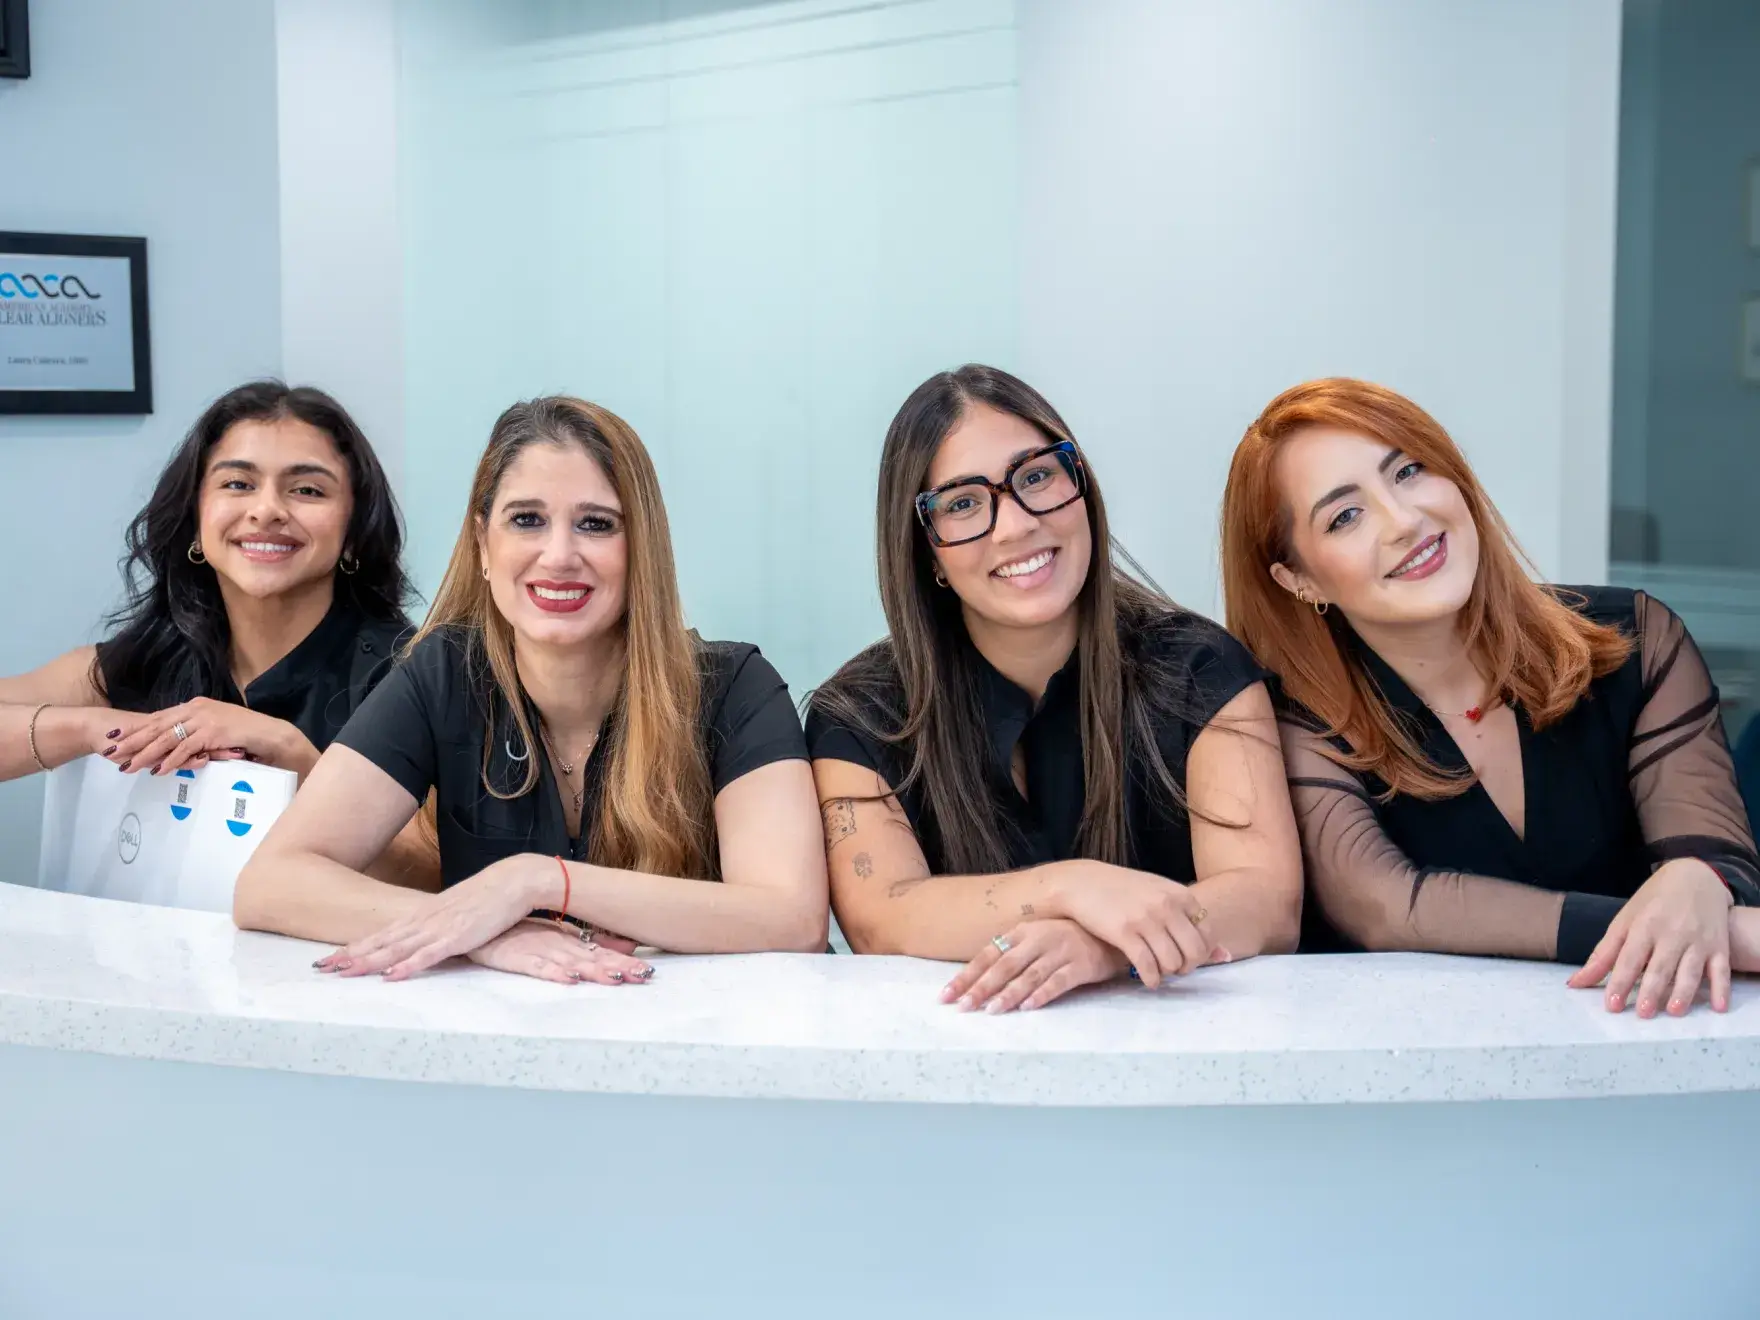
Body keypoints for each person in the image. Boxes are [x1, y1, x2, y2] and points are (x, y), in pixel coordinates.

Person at [234, 396, 828, 986]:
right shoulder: (440, 674)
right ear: (483, 544)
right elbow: (272, 882)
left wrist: (537, 883)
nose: (560, 555)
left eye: (596, 524)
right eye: (526, 520)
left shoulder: (735, 687)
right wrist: (481, 929)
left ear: (641, 549)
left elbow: (792, 917)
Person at [1221, 376, 1760, 1019]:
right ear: (1300, 579)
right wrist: (1700, 929)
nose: (1404, 520)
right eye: (1345, 515)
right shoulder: (1289, 717)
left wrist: (1700, 881)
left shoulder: (1636, 639)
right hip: (1410, 1079)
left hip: (1646, 1053)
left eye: (1409, 471)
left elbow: (1713, 855)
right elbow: (1389, 908)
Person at [806, 365, 1302, 1013]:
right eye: (961, 503)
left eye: (1036, 476)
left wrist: (1107, 949)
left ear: (1081, 487)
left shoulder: (1200, 666)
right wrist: (1075, 889)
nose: (1014, 526)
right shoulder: (860, 713)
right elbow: (883, 915)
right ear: (927, 553)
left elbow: (1268, 901)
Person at [1, 380, 414, 786]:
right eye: (238, 484)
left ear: (355, 532)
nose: (267, 510)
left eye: (307, 489)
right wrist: (90, 729)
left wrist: (295, 755)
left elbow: (435, 851)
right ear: (195, 522)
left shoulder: (412, 671)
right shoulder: (143, 660)